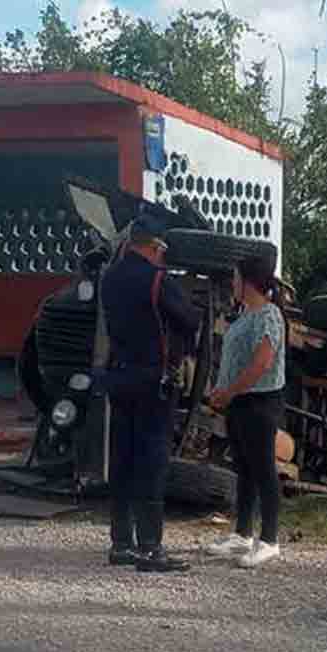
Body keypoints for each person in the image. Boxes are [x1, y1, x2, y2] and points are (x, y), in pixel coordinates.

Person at [100, 212, 200, 572]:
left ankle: (121, 543)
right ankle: (150, 547)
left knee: (122, 459)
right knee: (152, 462)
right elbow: (190, 320)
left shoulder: (109, 278)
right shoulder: (158, 280)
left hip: (119, 377)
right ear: (156, 247)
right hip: (154, 382)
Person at [204, 246, 287, 568]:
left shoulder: (269, 315)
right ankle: (242, 532)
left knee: (263, 468)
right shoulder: (244, 315)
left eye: (236, 278)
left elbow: (261, 363)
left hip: (259, 401)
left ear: (248, 281)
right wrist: (222, 389)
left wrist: (231, 390)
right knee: (244, 467)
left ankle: (270, 539)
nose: (233, 284)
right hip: (238, 401)